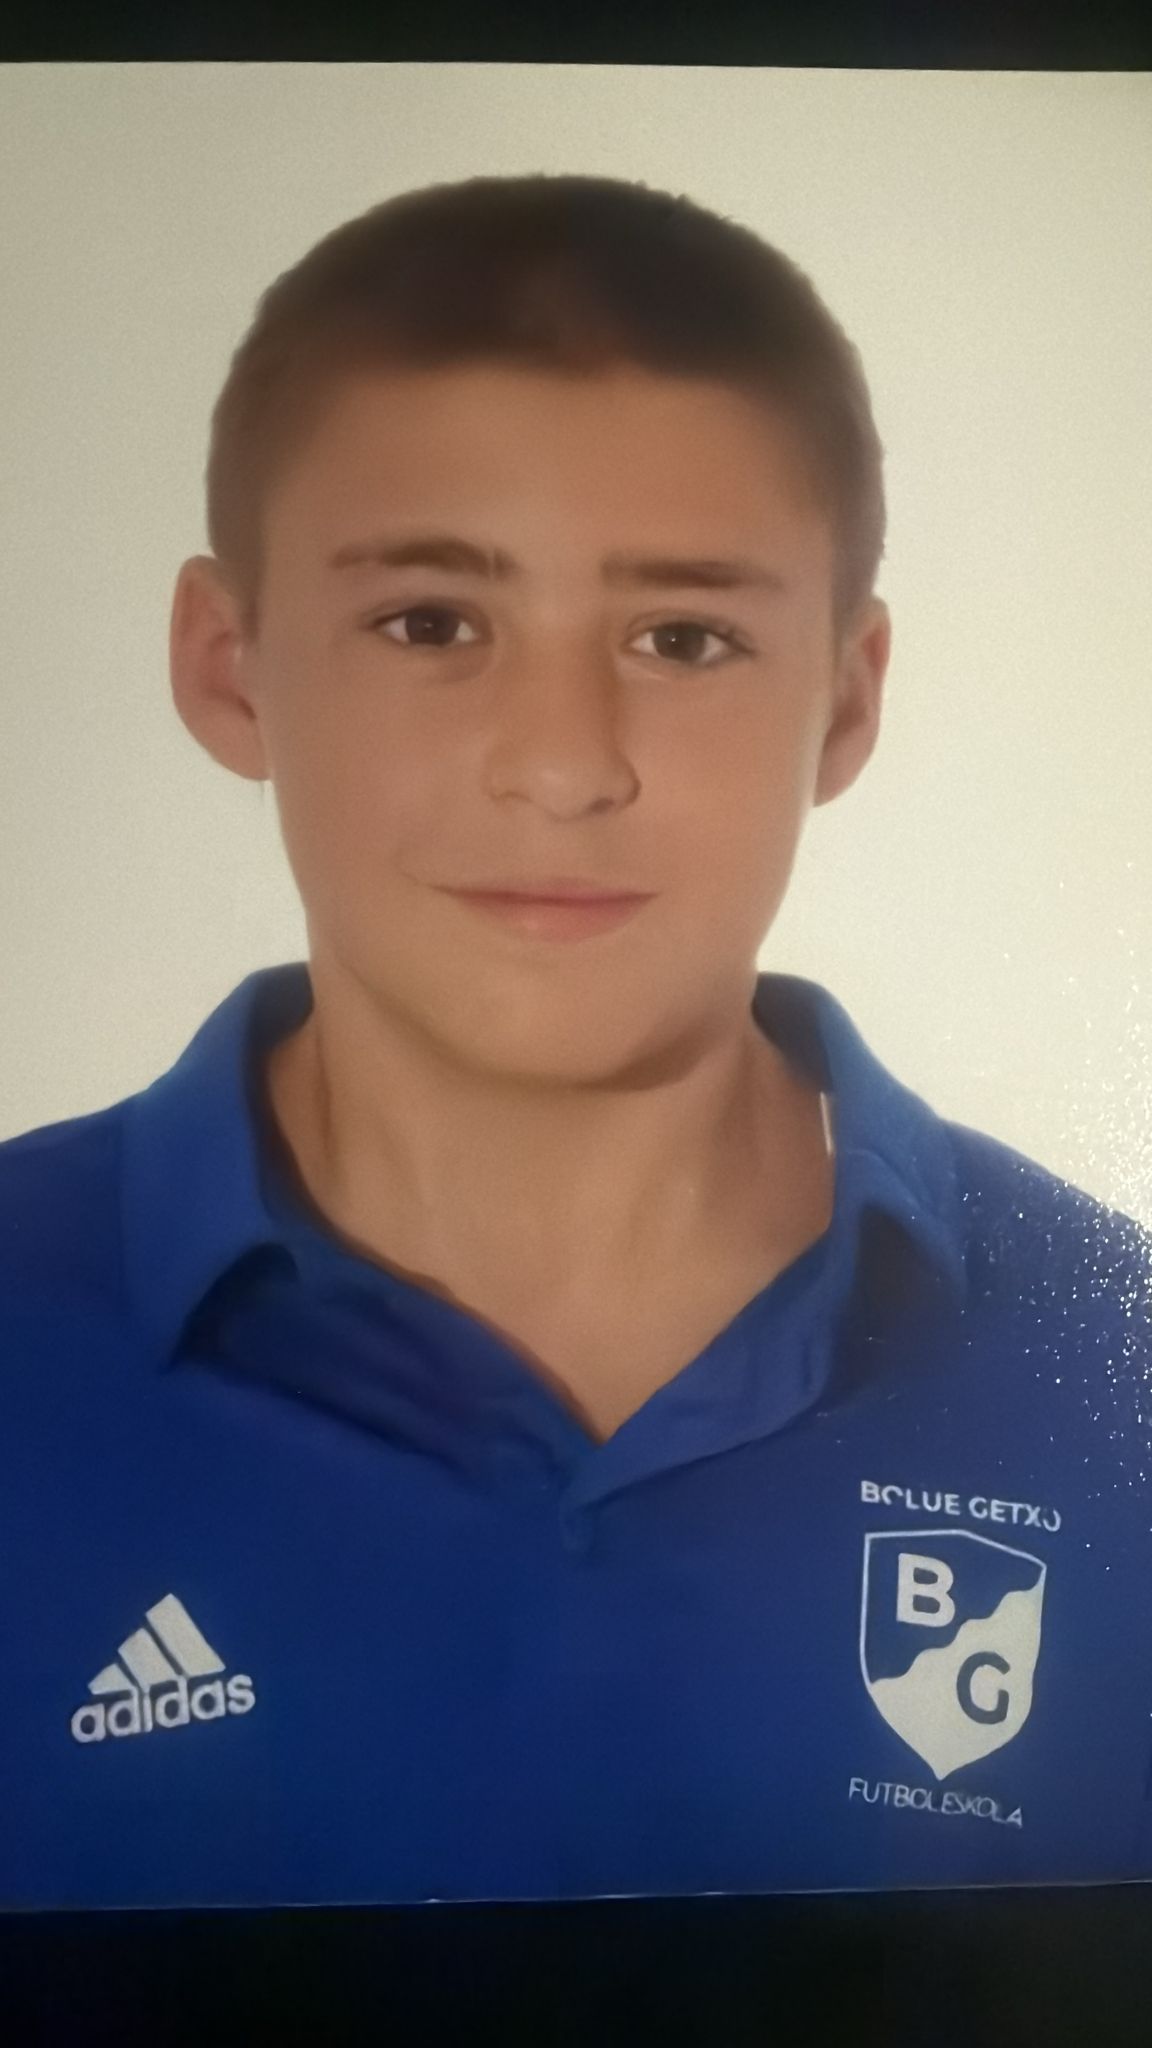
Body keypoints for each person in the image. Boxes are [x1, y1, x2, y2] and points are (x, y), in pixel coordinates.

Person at [2, 172, 1150, 1913]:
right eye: (432, 623)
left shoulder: (1115, 1377)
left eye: (683, 638)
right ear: (230, 666)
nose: (560, 763)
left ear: (845, 700)